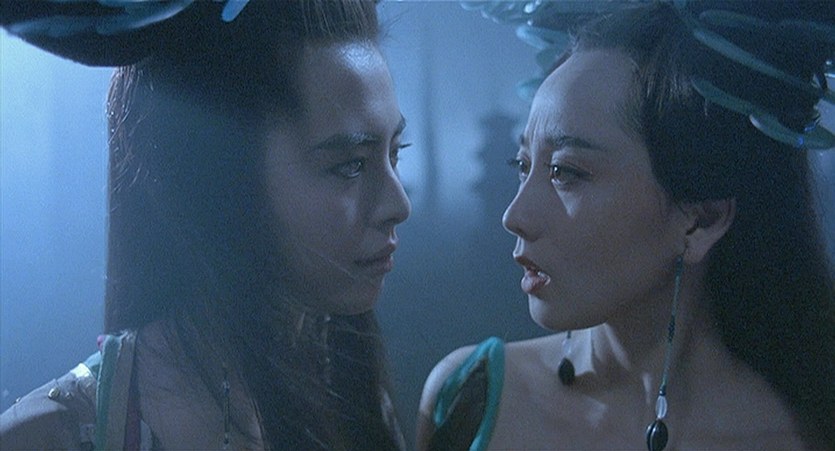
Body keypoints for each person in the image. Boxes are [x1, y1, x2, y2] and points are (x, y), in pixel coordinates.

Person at [418, 2, 834, 450]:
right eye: (523, 165)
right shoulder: (471, 399)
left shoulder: (798, 435)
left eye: (565, 172)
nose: (515, 216)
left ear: (700, 220)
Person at [0, 1, 410, 449]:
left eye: (395, 154)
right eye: (350, 165)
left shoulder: (359, 405)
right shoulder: (46, 438)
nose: (398, 205)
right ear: (218, 175)